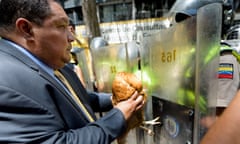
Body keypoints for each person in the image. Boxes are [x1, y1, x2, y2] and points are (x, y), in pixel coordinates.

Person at [0, 0, 144, 143]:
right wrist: (118, 116)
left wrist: (120, 99)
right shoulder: (6, 83)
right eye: (61, 26)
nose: (72, 38)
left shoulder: (50, 61)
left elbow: (76, 99)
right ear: (26, 29)